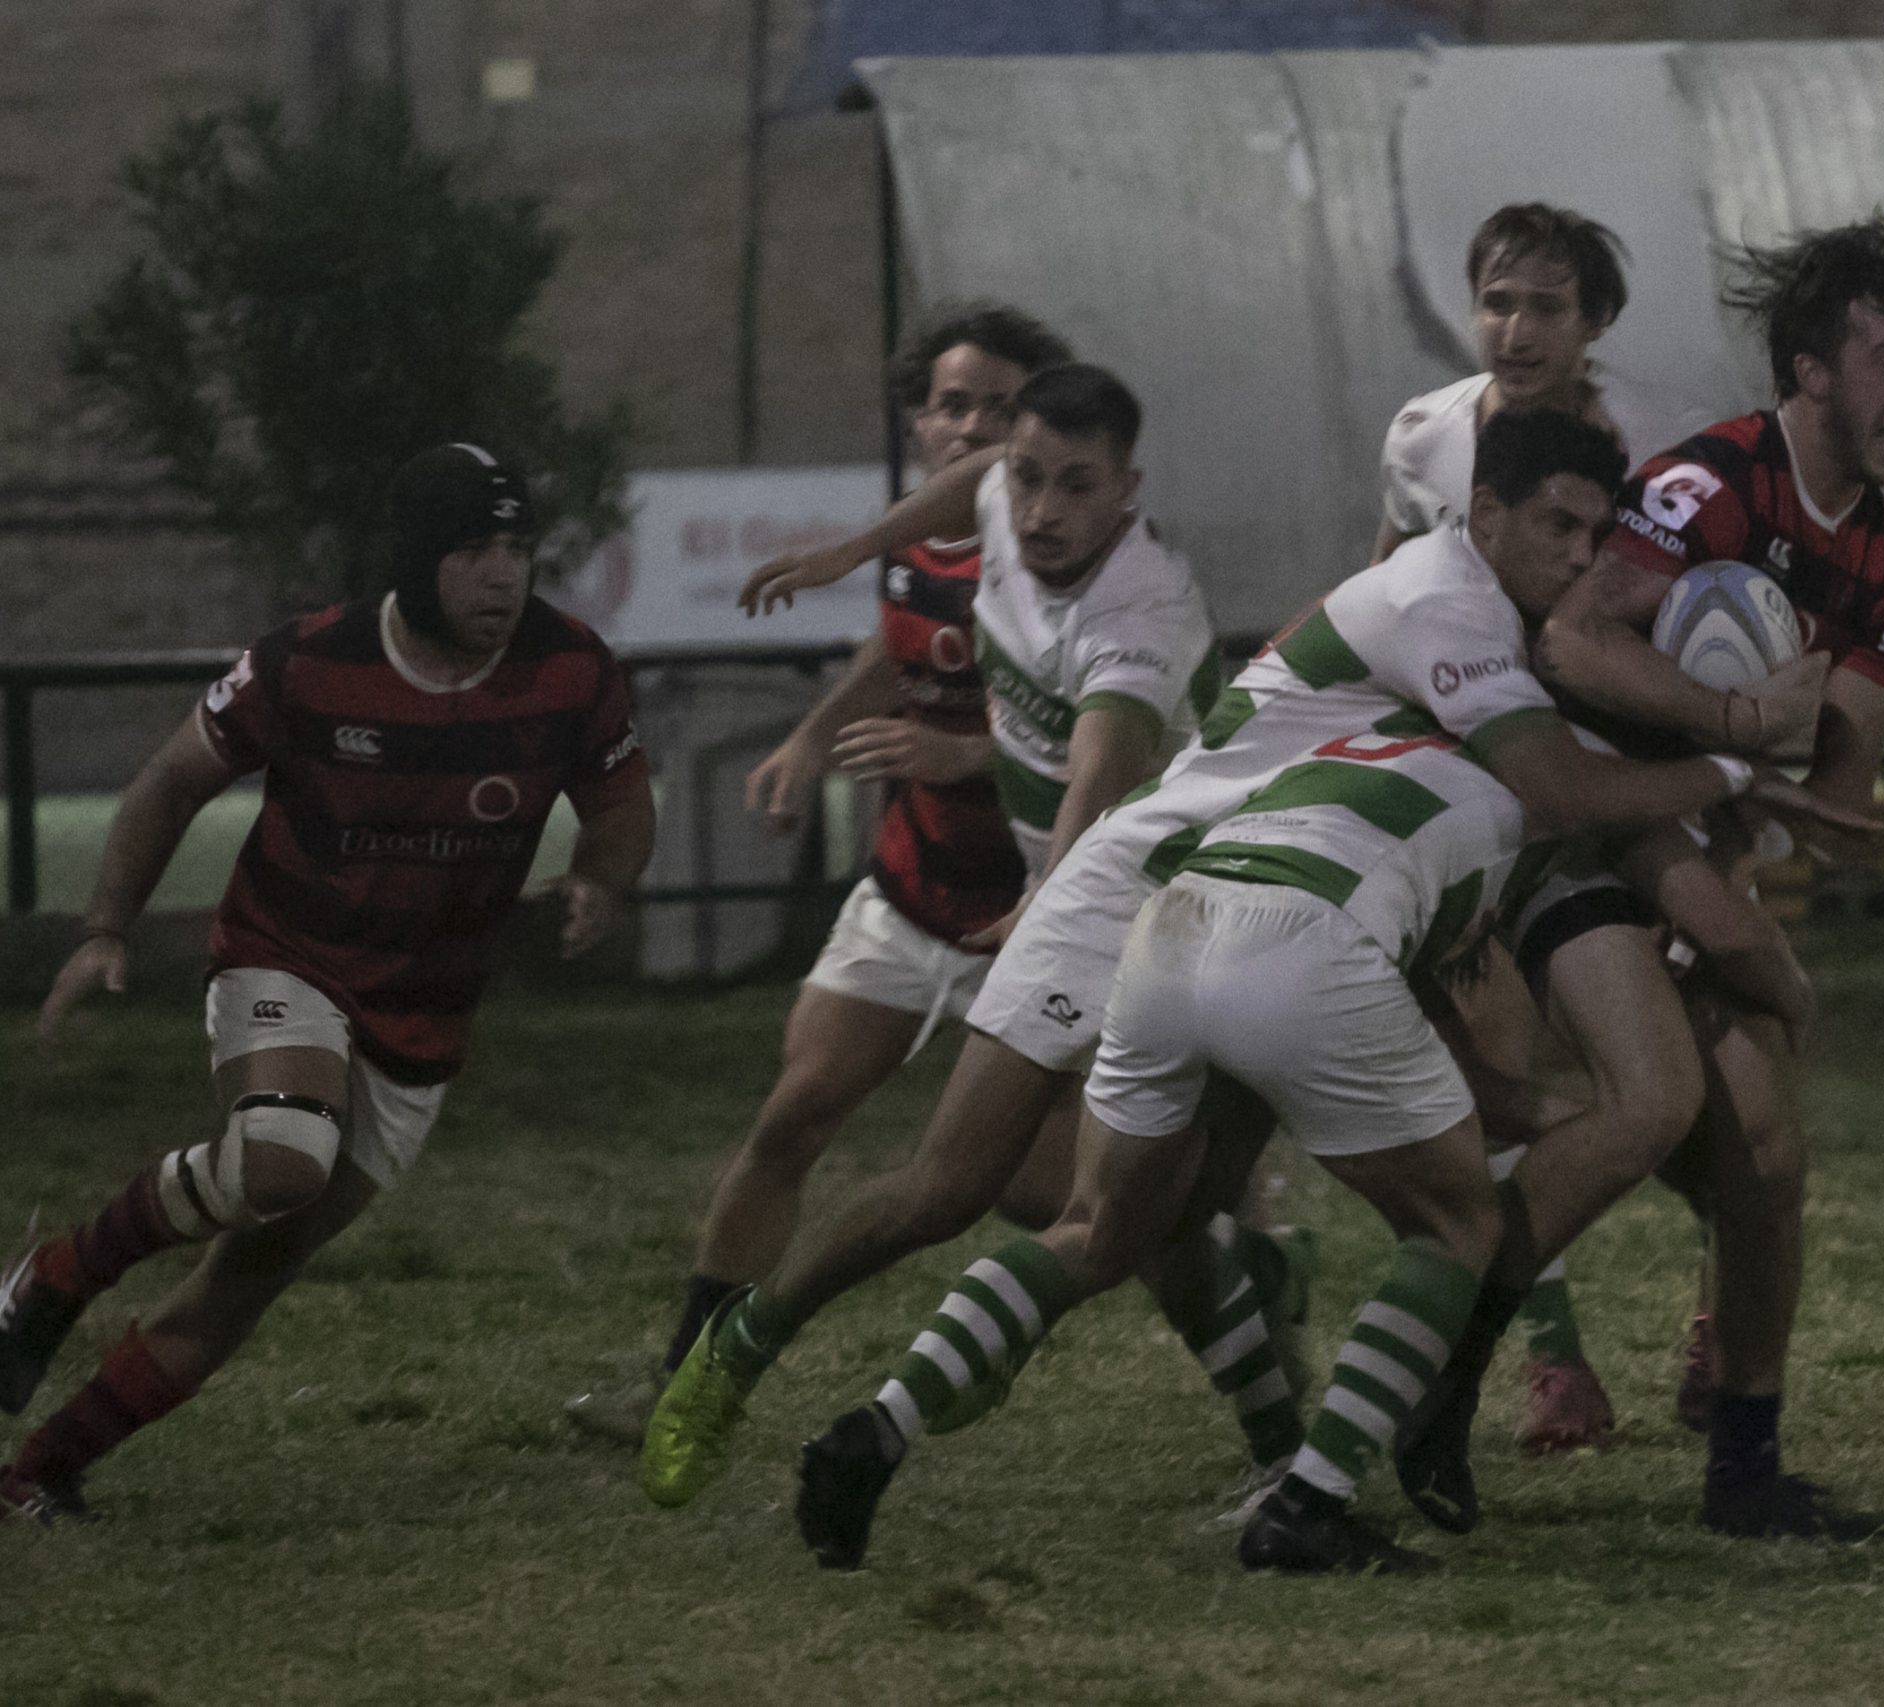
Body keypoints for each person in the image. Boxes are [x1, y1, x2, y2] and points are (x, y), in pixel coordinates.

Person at [781, 411, 1872, 1577]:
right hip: (1297, 941)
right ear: (1487, 514)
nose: (1578, 553)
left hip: (1178, 917)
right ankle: (1316, 1493)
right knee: (1455, 1220)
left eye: (1596, 534)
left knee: (1101, 1228)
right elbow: (1578, 812)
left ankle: (876, 1425)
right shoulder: (1516, 724)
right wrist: (1735, 770)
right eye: (1558, 524)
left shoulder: (1403, 692)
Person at [638, 361, 1288, 1508]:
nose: (1038, 509)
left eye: (1072, 488)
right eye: (1031, 478)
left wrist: (1045, 900)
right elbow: (978, 477)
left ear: (1125, 493)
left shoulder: (1139, 610)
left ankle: (1275, 1436)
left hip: (1167, 918)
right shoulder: (1008, 495)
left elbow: (1101, 768)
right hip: (1070, 901)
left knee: (1133, 1215)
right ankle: (734, 1352)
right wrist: (851, 553)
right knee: (958, 1186)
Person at [0, 444, 656, 1522]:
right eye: (473, 550)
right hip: (285, 956)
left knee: (246, 1280)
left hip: (427, 1013)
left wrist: (603, 880)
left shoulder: (571, 669)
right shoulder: (309, 661)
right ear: (415, 559)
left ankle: (42, 1469)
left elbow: (623, 806)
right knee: (283, 1157)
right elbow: (172, 781)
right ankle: (59, 1276)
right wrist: (105, 928)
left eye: (517, 549)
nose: (503, 575)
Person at [1436, 212, 1884, 1540]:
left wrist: (1814, 804)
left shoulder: (1883, 570)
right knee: (1652, 1113)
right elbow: (1573, 639)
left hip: (1693, 848)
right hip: (1578, 831)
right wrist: (1730, 728)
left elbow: (1839, 795)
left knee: (1766, 1154)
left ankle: (1744, 1467)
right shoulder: (1706, 483)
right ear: (1811, 367)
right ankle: (1432, 1390)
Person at [562, 302, 1070, 1444]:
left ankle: (1240, 1283)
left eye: (1001, 409)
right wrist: (807, 737)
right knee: (793, 1119)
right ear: (918, 418)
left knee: (1046, 1192)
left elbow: (1114, 737)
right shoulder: (918, 541)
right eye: (953, 405)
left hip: (1035, 909)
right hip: (909, 894)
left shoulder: (1060, 552)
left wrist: (968, 755)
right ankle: (688, 1386)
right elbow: (899, 652)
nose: (974, 430)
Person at [1369, 202, 1816, 1454]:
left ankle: (1710, 1324)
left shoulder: (1650, 466)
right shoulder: (1424, 435)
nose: (1514, 329)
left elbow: (1662, 650)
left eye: (1544, 306)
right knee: (1510, 1096)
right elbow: (1387, 596)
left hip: (1616, 800)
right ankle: (1545, 1367)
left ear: (1595, 325)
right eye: (1497, 301)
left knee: (1734, 1086)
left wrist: (1717, 795)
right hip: (1489, 809)